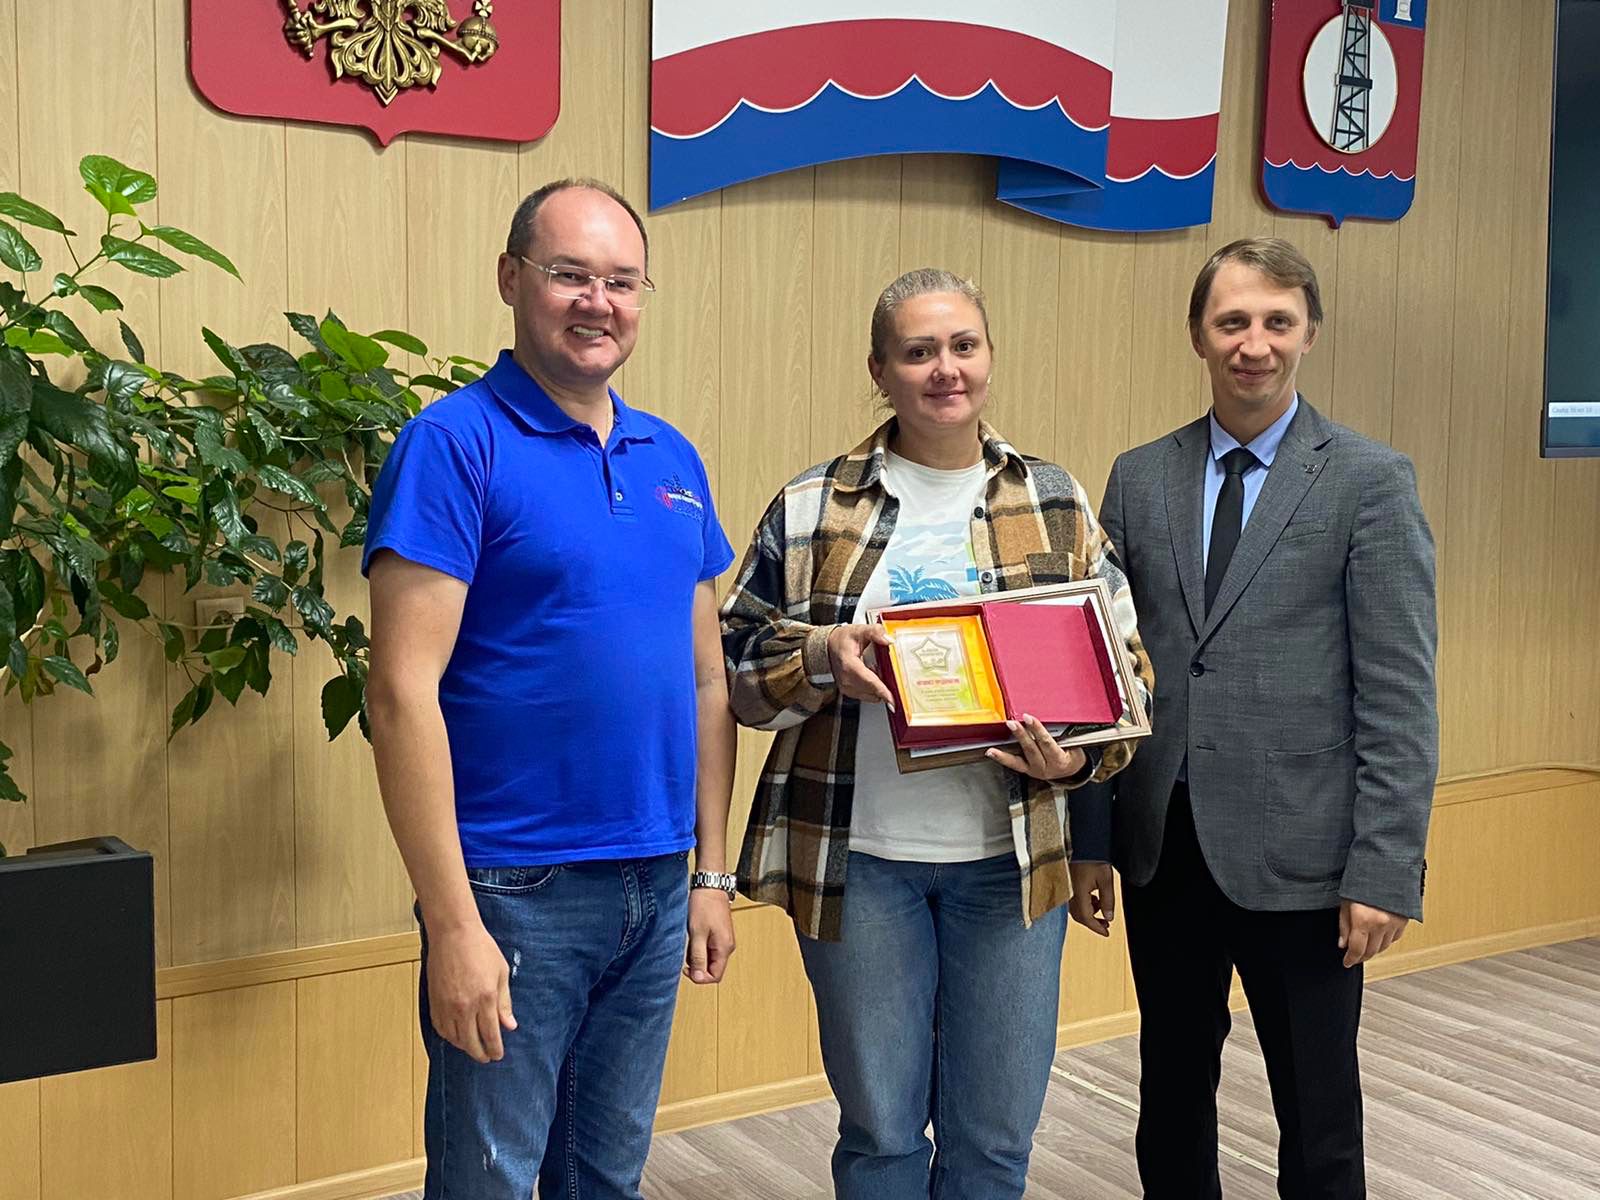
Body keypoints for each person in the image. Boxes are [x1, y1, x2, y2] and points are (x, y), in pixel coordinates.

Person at [721, 268, 1154, 1199]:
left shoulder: (1054, 498)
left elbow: (1127, 673)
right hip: (858, 864)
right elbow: (735, 675)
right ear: (880, 371)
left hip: (1010, 866)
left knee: (994, 1138)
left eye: (963, 346)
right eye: (918, 352)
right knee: (880, 1132)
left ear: (990, 356)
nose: (944, 369)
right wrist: (825, 657)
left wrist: (1076, 759)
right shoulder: (812, 504)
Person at [363, 178, 738, 1200]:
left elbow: (708, 680)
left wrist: (711, 875)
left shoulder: (673, 457)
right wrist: (453, 925)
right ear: (511, 278)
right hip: (513, 891)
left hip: (655, 882)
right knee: (488, 1181)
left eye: (621, 281)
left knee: (604, 1179)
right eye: (570, 274)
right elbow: (399, 694)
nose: (597, 302)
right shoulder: (453, 444)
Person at [1071, 237, 1438, 1198]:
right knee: (1170, 1092)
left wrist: (1385, 868)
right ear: (1198, 334)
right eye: (1232, 321)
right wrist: (1092, 840)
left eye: (1278, 321)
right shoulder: (1138, 477)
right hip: (1165, 848)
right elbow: (1105, 675)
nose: (1254, 343)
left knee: (1318, 1113)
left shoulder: (1370, 481)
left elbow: (1399, 694)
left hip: (1308, 857)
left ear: (1310, 333)